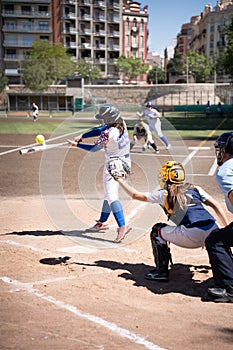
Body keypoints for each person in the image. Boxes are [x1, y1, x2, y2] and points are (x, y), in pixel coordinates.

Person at [115, 161, 228, 282]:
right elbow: (216, 206)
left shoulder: (164, 194)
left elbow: (135, 195)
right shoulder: (194, 188)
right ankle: (225, 267)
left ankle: (161, 272)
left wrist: (119, 179)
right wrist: (227, 231)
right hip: (212, 232)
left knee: (157, 230)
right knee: (217, 235)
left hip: (191, 235)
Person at [68, 103, 132, 243]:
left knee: (111, 195)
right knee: (108, 195)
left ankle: (123, 226)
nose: (102, 120)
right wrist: (83, 135)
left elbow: (95, 149)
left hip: (113, 165)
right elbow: (102, 129)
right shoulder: (121, 123)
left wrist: (77, 145)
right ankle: (102, 222)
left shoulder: (109, 133)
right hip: (125, 162)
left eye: (104, 118)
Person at [205, 132, 233, 303]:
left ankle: (230, 288)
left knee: (215, 241)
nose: (220, 153)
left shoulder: (226, 170)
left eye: (222, 150)